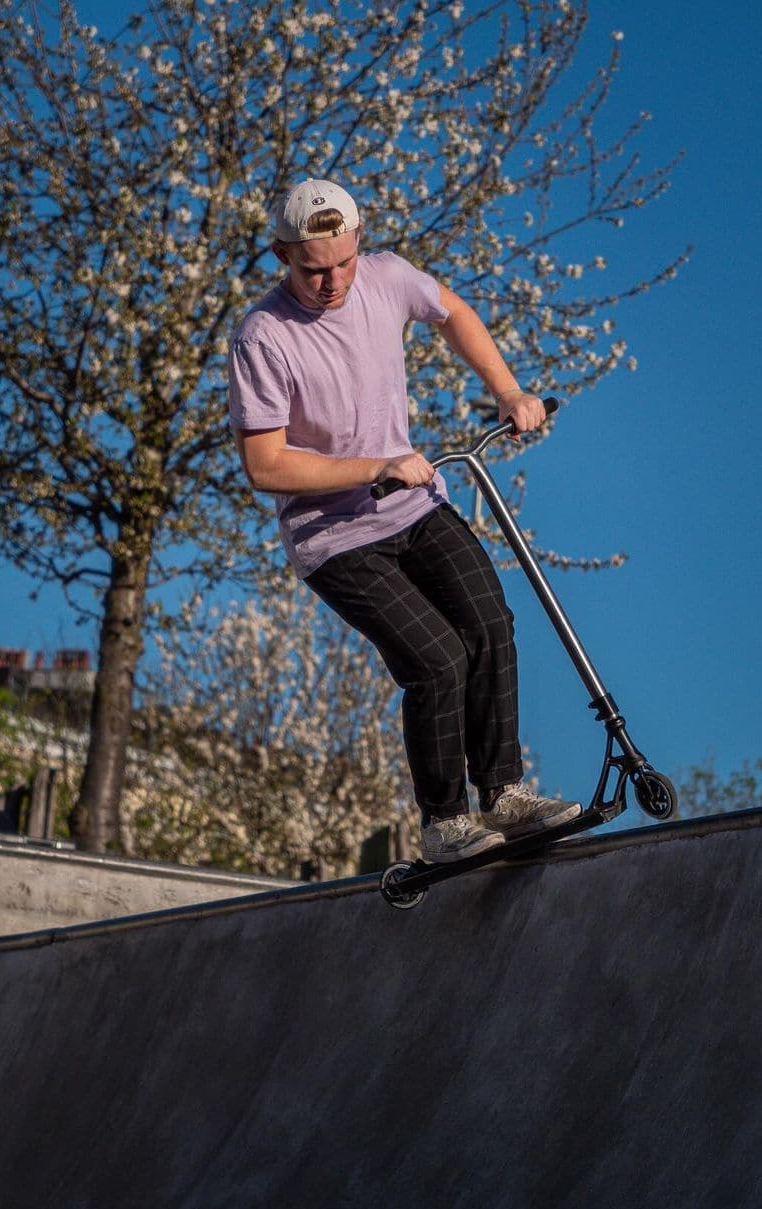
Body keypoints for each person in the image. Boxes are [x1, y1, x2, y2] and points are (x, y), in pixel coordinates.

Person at [228, 178, 581, 863]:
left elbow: (453, 315)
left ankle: (504, 796)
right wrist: (374, 465)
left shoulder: (389, 278)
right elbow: (265, 465)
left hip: (415, 507)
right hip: (334, 537)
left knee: (489, 623)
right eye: (312, 269)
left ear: (361, 243)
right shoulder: (263, 338)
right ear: (281, 255)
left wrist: (507, 390)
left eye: (341, 263)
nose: (330, 282)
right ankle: (446, 823)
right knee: (438, 660)